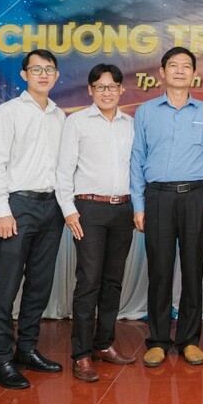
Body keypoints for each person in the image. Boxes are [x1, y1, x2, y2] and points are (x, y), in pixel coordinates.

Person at [131, 47, 203, 368]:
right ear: (162, 72)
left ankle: (189, 340)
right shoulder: (146, 111)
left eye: (186, 66)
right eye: (173, 65)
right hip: (158, 197)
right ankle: (157, 340)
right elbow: (137, 158)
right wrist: (138, 204)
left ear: (194, 74)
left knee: (193, 269)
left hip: (195, 196)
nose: (179, 71)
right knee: (159, 270)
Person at [0, 48, 67, 389]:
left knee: (40, 282)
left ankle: (27, 349)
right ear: (24, 75)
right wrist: (2, 210)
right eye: (37, 69)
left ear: (57, 75)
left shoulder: (60, 115)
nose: (43, 74)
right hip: (18, 206)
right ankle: (1, 359)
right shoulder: (8, 112)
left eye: (49, 69)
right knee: (7, 284)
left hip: (53, 207)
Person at [56, 63, 137, 383]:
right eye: (100, 87)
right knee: (89, 280)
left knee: (113, 280)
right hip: (88, 210)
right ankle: (82, 354)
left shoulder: (130, 124)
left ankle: (103, 343)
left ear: (121, 90)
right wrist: (69, 210)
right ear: (90, 90)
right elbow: (64, 171)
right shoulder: (76, 122)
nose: (107, 92)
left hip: (123, 210)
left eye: (112, 86)